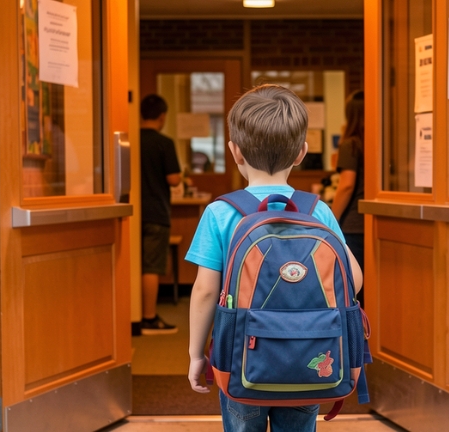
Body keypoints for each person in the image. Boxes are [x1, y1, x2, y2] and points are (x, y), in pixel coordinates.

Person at [184, 84, 363, 432]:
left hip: (240, 357)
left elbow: (206, 291)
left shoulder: (221, 213)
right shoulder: (317, 211)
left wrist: (196, 355)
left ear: (235, 152)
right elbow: (352, 279)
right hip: (310, 355)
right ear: (301, 152)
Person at [138, 94, 182, 335]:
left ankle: (134, 313)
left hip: (133, 213)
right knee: (151, 267)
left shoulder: (130, 140)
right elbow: (173, 179)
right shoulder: (164, 143)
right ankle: (149, 317)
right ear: (162, 116)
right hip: (156, 212)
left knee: (134, 266)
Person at [331, 90, 365, 305]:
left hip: (352, 226)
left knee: (352, 290)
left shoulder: (351, 144)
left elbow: (346, 186)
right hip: (369, 223)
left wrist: (330, 219)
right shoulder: (378, 143)